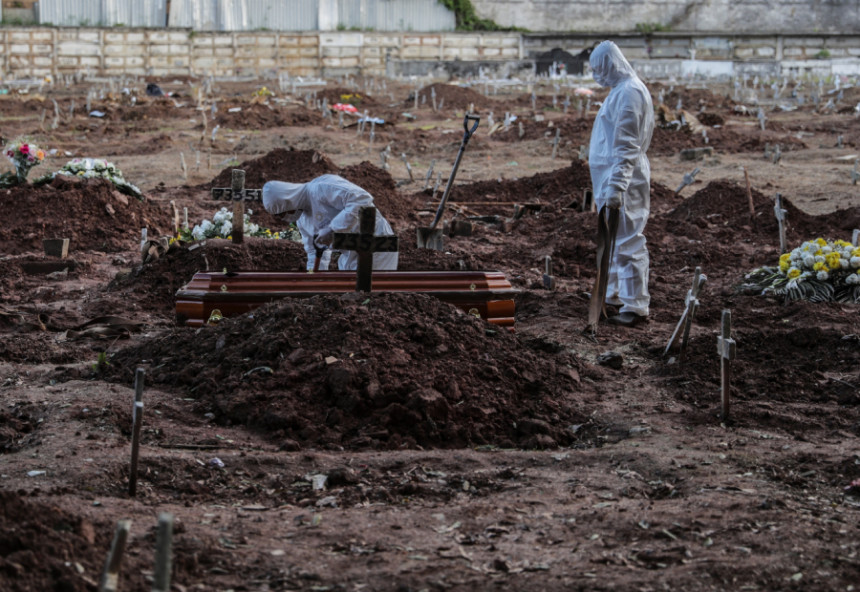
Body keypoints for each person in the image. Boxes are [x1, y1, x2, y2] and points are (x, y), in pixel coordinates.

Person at [588, 40, 655, 327]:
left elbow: (626, 146)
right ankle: (615, 296)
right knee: (615, 243)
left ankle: (635, 306)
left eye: (599, 69)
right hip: (612, 179)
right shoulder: (621, 91)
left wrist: (616, 186)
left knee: (627, 242)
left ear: (610, 64)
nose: (596, 76)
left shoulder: (630, 93)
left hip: (623, 181)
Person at [262, 174, 399, 271]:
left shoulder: (321, 188)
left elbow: (362, 199)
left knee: (371, 295)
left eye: (282, 214)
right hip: (350, 255)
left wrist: (333, 228)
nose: (283, 219)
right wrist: (314, 277)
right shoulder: (303, 220)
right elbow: (314, 250)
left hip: (376, 246)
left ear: (288, 203)